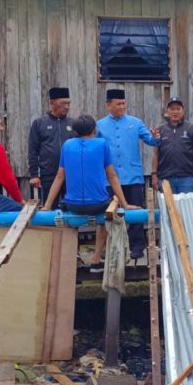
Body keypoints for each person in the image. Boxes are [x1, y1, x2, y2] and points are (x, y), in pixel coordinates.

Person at [43, 115, 136, 273]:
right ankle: (96, 260)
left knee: (65, 217)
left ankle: (68, 259)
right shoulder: (101, 144)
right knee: (106, 218)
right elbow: (112, 176)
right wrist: (125, 204)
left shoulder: (67, 145)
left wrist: (46, 206)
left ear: (75, 131)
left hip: (73, 206)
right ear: (95, 130)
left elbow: (59, 177)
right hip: (98, 205)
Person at [96, 88, 161, 260]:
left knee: (136, 213)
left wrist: (156, 137)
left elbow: (150, 140)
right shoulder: (100, 125)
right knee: (111, 214)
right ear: (108, 105)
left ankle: (137, 246)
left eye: (124, 103)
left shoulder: (136, 122)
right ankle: (113, 247)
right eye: (118, 104)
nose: (122, 107)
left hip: (133, 175)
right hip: (110, 178)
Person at [28, 87, 75, 208]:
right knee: (50, 207)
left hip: (70, 174)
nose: (66, 107)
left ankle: (70, 227)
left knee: (70, 207)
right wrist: (34, 174)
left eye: (68, 104)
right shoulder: (39, 123)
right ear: (52, 103)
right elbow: (33, 150)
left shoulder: (73, 123)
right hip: (49, 174)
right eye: (62, 103)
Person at [151, 96, 193, 194]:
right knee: (168, 208)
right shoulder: (160, 130)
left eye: (178, 109)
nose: (175, 112)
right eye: (172, 109)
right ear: (167, 111)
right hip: (165, 178)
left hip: (187, 178)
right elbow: (155, 154)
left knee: (186, 207)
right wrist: (154, 175)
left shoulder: (191, 128)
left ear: (183, 111)